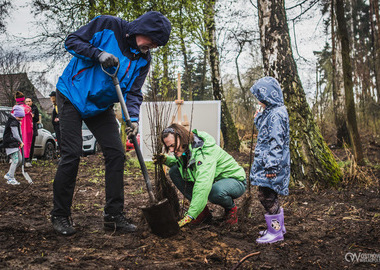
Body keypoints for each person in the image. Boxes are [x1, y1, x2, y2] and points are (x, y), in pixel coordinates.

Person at [50, 11, 171, 236]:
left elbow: (133, 92)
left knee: (116, 153)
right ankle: (60, 214)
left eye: (157, 44)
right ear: (142, 30)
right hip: (72, 95)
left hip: (100, 106)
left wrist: (132, 120)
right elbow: (72, 41)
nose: (153, 46)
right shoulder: (109, 25)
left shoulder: (143, 59)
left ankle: (113, 216)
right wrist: (98, 54)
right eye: (153, 40)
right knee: (72, 153)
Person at [155, 123, 246, 227]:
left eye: (172, 145)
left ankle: (231, 209)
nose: (171, 150)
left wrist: (191, 214)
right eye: (168, 147)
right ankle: (202, 213)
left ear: (181, 137)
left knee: (214, 192)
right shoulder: (186, 148)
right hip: (215, 181)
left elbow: (203, 182)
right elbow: (184, 165)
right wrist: (166, 160)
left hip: (235, 180)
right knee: (174, 171)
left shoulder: (203, 151)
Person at [249, 76, 290, 244]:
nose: (259, 102)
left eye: (261, 98)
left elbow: (276, 141)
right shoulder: (272, 112)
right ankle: (278, 227)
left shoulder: (277, 114)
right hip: (267, 163)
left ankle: (275, 232)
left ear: (269, 96)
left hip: (271, 165)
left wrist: (272, 166)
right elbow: (265, 130)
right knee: (269, 195)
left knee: (265, 196)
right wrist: (258, 117)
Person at [3, 105, 28, 185]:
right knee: (15, 160)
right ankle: (11, 178)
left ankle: (8, 174)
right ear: (16, 115)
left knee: (20, 160)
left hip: (14, 143)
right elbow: (16, 134)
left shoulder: (15, 121)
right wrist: (21, 142)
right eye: (20, 117)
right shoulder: (13, 122)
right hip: (10, 143)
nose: (21, 119)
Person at [14, 91, 33, 165]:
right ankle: (26, 160)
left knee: (18, 143)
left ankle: (18, 160)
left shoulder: (15, 108)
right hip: (28, 130)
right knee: (27, 144)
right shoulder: (28, 108)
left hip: (19, 129)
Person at [25, 98, 40, 167]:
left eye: (29, 101)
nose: (28, 103)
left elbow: (34, 117)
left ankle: (29, 160)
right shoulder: (24, 108)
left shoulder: (34, 108)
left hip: (32, 129)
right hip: (25, 129)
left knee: (31, 145)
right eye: (26, 102)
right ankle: (24, 160)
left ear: (32, 102)